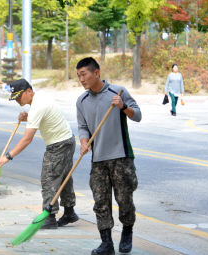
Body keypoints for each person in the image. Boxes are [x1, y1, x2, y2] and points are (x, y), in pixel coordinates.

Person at [75, 57, 141, 255]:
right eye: (78, 75)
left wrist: (123, 106)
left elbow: (137, 115)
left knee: (124, 200)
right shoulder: (82, 100)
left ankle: (127, 232)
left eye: (84, 74)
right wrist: (84, 142)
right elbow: (83, 127)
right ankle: (106, 243)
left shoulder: (117, 92)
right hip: (98, 160)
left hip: (121, 157)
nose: (81, 79)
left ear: (96, 73)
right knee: (100, 202)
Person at [0, 79, 79, 229]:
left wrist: (7, 156)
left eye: (19, 97)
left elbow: (27, 139)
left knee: (49, 179)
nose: (17, 101)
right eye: (15, 98)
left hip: (58, 145)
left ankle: (49, 217)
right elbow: (44, 117)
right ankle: (69, 211)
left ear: (29, 91)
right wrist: (27, 118)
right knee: (64, 177)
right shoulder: (41, 97)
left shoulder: (37, 107)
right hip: (68, 140)